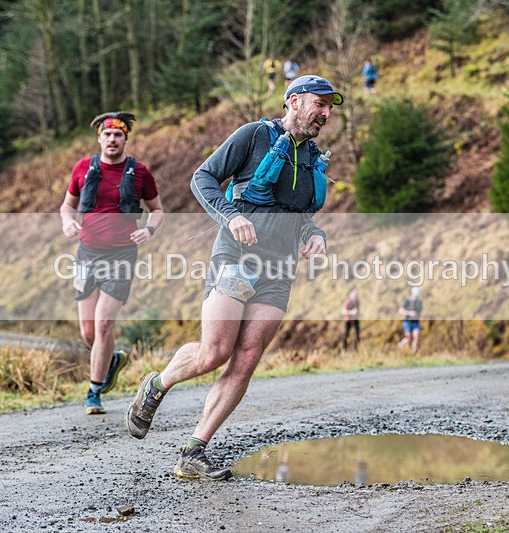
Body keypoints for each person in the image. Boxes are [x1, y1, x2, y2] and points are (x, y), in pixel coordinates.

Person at [126, 75, 343, 481]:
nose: (327, 114)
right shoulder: (253, 136)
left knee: (245, 361)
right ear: (294, 101)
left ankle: (193, 452)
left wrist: (315, 234)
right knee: (215, 352)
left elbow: (301, 214)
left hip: (279, 272)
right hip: (237, 259)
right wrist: (231, 216)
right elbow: (202, 178)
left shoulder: (312, 157)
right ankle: (157, 384)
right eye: (320, 104)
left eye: (331, 107)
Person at [60, 111, 164, 415]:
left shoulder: (140, 172)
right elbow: (67, 205)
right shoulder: (83, 167)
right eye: (107, 134)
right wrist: (67, 222)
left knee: (104, 323)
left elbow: (157, 209)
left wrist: (148, 230)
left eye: (118, 134)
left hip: (121, 256)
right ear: (99, 138)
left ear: (125, 139)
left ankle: (94, 392)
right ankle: (112, 360)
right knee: (88, 332)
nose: (112, 139)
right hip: (86, 255)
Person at [398, 287, 422, 354]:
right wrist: (409, 313)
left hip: (416, 322)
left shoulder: (419, 302)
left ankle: (413, 352)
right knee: (409, 339)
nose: (416, 297)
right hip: (407, 322)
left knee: (416, 337)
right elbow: (400, 310)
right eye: (415, 295)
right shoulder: (408, 301)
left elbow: (419, 312)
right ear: (412, 294)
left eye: (417, 295)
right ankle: (401, 344)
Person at [341, 287, 360, 352]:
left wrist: (358, 313)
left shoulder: (357, 301)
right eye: (354, 292)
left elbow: (357, 310)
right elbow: (343, 312)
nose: (356, 294)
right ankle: (344, 349)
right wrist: (352, 312)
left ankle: (355, 350)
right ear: (351, 293)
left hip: (355, 320)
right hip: (348, 320)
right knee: (346, 335)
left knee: (357, 334)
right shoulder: (348, 301)